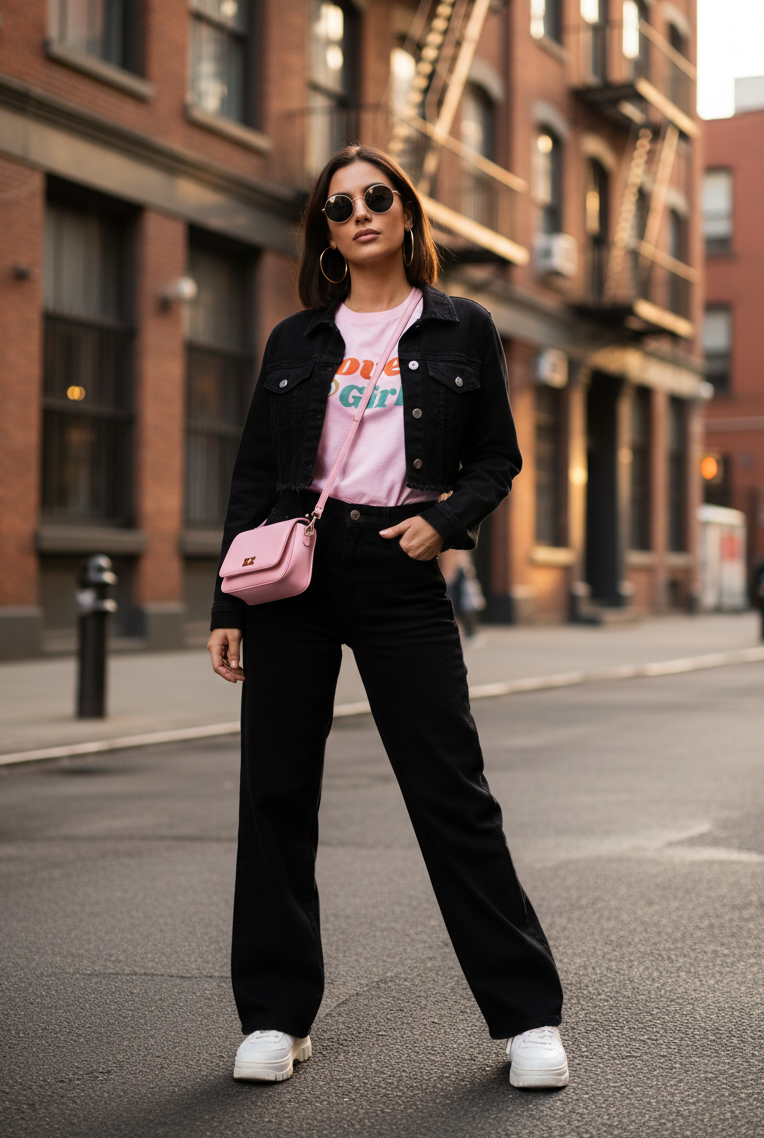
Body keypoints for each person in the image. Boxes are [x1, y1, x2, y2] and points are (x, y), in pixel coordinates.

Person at [207, 145, 568, 1090]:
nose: (358, 213)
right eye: (338, 207)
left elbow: (498, 458)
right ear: (324, 235)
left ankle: (526, 1016)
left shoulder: (461, 328)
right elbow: (253, 476)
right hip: (291, 574)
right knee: (276, 794)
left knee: (452, 792)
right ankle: (276, 1018)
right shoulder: (296, 340)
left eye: (377, 197)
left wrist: (443, 524)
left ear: (407, 213)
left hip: (398, 569)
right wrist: (229, 601)